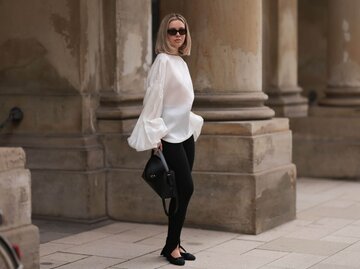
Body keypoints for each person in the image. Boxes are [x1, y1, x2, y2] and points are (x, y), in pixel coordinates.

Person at [127, 13, 203, 266]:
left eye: (182, 30)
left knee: (181, 192)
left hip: (185, 134)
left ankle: (174, 245)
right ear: (164, 34)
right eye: (173, 31)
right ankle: (172, 246)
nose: (178, 35)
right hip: (168, 136)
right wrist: (154, 134)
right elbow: (153, 101)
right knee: (186, 188)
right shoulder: (162, 61)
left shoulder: (180, 61)